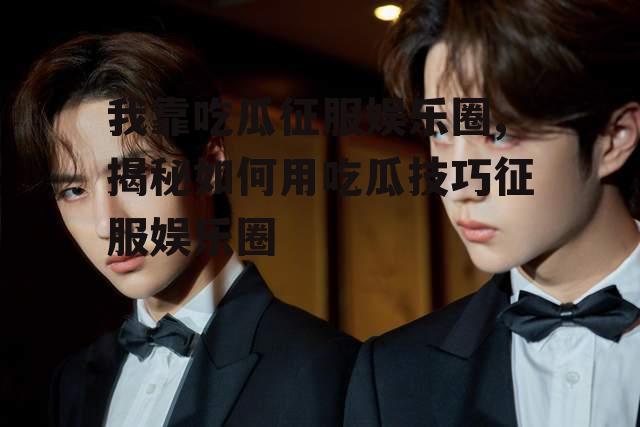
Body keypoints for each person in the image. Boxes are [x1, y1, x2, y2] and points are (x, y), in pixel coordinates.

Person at [12, 31, 359, 427]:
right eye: (75, 190)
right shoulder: (75, 382)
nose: (107, 224)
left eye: (135, 177)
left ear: (209, 167)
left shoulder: (324, 367)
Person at [344, 1, 640, 426]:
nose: (460, 183)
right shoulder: (392, 376)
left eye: (499, 135)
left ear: (614, 137)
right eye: (441, 131)